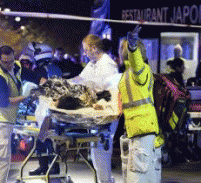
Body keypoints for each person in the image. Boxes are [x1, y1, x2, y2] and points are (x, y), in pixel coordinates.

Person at [0, 45, 43, 183]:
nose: (9, 65)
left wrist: (46, 85)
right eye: (5, 62)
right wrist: (27, 96)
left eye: (11, 61)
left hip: (5, 121)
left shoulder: (16, 66)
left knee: (3, 161)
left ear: (14, 57)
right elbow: (4, 102)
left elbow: (34, 77)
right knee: (0, 162)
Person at [69, 34, 119, 183]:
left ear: (94, 48)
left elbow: (109, 92)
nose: (84, 53)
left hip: (107, 115)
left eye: (86, 50)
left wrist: (89, 88)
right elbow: (81, 78)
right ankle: (104, 180)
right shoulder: (93, 64)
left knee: (101, 152)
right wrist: (65, 83)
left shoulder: (108, 65)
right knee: (96, 154)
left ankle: (106, 181)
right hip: (97, 114)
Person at [118, 26, 161, 183]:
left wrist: (132, 47)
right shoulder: (129, 72)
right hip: (139, 130)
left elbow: (137, 66)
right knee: (147, 177)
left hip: (143, 131)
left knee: (138, 178)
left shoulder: (139, 69)